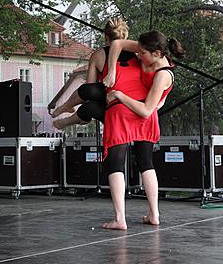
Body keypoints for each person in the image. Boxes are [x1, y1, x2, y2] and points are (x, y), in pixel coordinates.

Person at [100, 30, 184, 230]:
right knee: (140, 162)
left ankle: (124, 218)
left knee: (121, 163)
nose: (138, 55)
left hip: (137, 112)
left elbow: (146, 110)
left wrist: (119, 94)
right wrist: (111, 71)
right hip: (135, 112)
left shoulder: (163, 75)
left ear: (156, 54)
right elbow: (118, 43)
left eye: (142, 53)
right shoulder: (151, 55)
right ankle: (151, 214)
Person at [50, 17, 137, 129]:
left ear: (106, 38)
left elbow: (89, 86)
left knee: (87, 95)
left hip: (119, 103)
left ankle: (67, 110)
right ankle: (67, 116)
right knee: (90, 103)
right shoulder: (138, 55)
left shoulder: (99, 55)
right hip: (132, 103)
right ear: (126, 37)